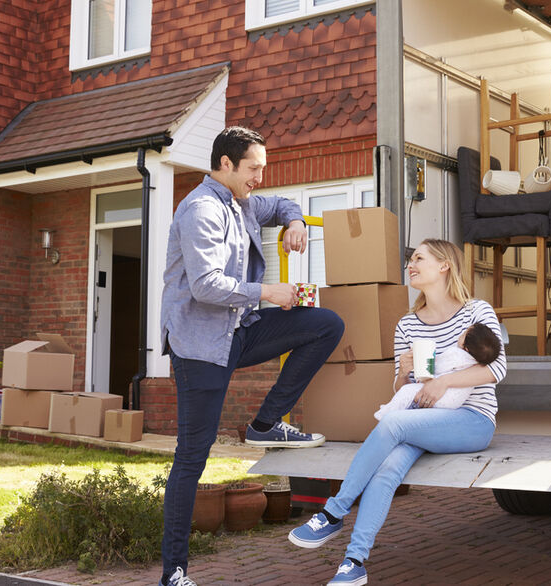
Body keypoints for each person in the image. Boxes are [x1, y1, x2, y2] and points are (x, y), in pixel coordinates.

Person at [159, 126, 344, 586]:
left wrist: (296, 221)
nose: (261, 176)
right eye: (254, 168)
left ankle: (265, 423)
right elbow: (205, 286)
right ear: (225, 164)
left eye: (263, 167)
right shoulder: (201, 209)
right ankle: (174, 573)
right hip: (201, 348)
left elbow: (281, 205)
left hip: (239, 333)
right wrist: (267, 291)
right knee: (192, 458)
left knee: (326, 325)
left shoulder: (240, 202)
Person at [288, 238, 506, 586]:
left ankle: (334, 511)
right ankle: (354, 562)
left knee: (394, 422)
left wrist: (443, 383)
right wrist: (404, 372)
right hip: (419, 418)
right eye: (410, 260)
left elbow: (496, 370)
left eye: (419, 258)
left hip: (472, 420)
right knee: (388, 468)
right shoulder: (407, 325)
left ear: (444, 265)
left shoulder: (476, 312)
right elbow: (398, 388)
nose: (411, 265)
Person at [373, 322, 501, 419]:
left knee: (407, 392)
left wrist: (425, 363)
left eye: (464, 334)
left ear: (465, 347)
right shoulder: (476, 361)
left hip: (445, 396)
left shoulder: (457, 354)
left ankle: (386, 413)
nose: (460, 334)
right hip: (455, 401)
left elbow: (440, 365)